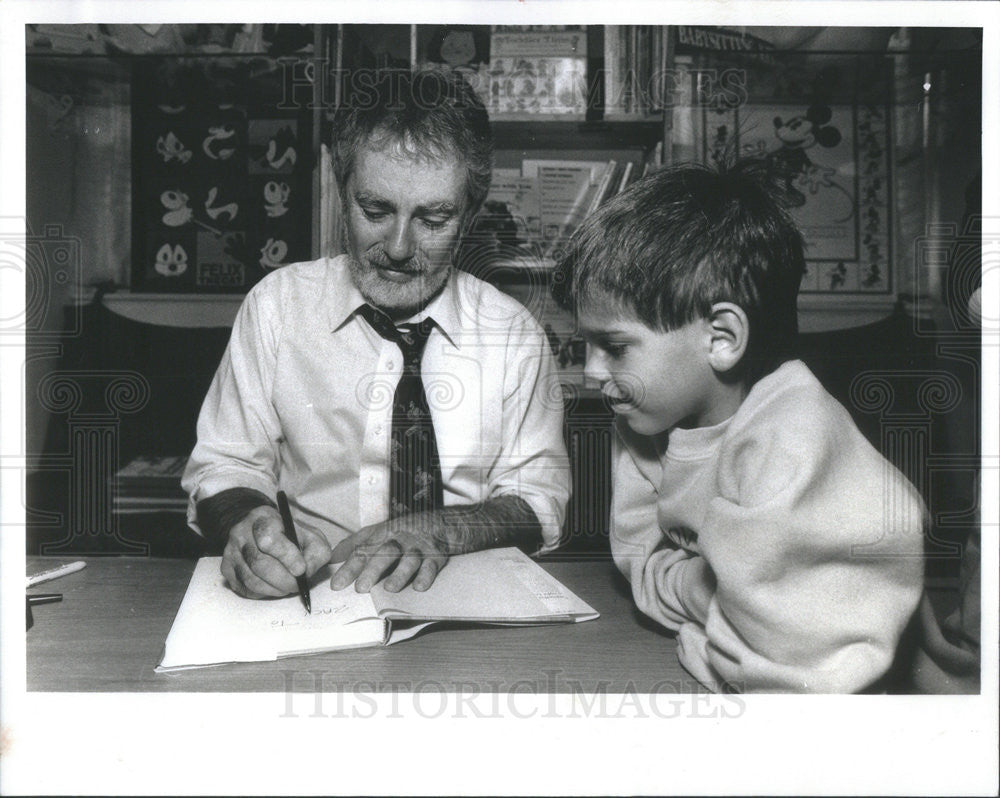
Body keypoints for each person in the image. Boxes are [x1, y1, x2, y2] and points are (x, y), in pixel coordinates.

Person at [182, 68, 570, 599]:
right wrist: (249, 525)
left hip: (466, 602)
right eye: (375, 210)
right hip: (314, 599)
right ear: (340, 192)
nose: (399, 247)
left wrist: (442, 530)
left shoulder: (515, 335)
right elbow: (224, 463)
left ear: (471, 215)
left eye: (433, 219)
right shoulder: (277, 308)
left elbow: (539, 499)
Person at [554, 159, 925, 693]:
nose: (591, 373)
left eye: (613, 347)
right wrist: (714, 596)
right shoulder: (644, 423)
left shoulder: (794, 436)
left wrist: (700, 602)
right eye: (583, 346)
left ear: (722, 338)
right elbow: (642, 571)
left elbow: (797, 674)